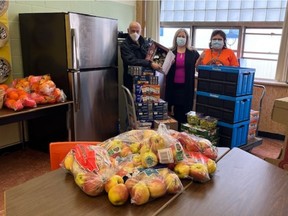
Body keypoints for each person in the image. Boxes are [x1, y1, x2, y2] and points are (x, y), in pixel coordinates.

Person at [165, 29, 200, 130]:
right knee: (174, 111)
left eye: (183, 36)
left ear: (187, 39)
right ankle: (175, 131)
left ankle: (184, 133)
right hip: (173, 87)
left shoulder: (193, 52)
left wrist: (202, 58)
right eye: (179, 36)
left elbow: (198, 67)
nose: (181, 38)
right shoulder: (170, 52)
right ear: (175, 38)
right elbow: (163, 69)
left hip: (186, 87)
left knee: (185, 112)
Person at [120, 21, 162, 92]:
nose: (135, 33)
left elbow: (149, 56)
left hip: (147, 79)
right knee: (132, 102)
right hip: (131, 80)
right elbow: (131, 61)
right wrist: (150, 63)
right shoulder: (125, 45)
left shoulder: (145, 42)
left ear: (141, 31)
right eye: (133, 31)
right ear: (128, 30)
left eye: (137, 31)